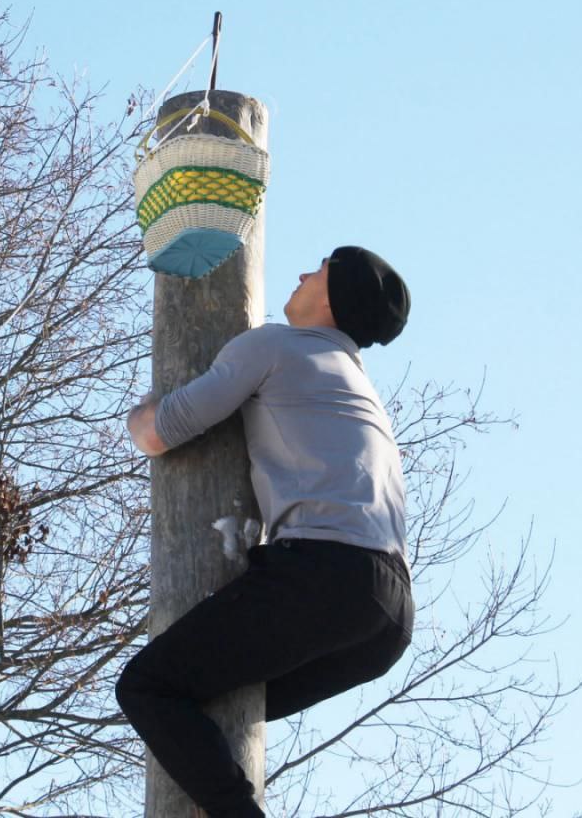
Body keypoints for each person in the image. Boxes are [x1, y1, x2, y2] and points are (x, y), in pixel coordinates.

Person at [116, 245, 415, 818]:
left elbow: (159, 433)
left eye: (319, 269)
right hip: (388, 616)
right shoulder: (355, 383)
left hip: (325, 576)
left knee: (149, 686)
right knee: (221, 704)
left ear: (334, 295)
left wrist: (140, 412)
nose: (303, 274)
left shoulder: (275, 344)